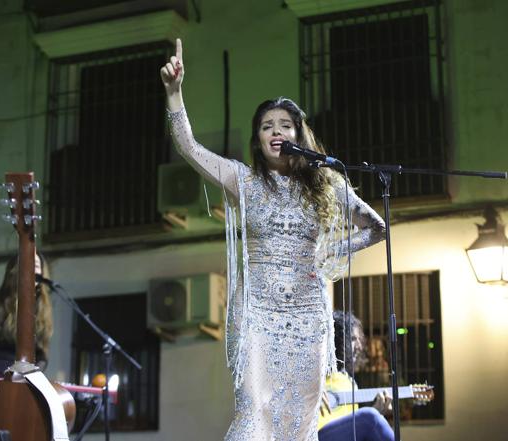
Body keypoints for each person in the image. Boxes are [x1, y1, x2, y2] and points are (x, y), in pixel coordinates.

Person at [160, 39, 386, 440]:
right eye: (267, 127)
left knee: (299, 428)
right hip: (257, 317)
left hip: (307, 321)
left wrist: (326, 254)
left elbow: (375, 228)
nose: (276, 131)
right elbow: (190, 149)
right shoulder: (243, 181)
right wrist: (175, 94)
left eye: (285, 125)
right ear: (259, 141)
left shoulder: (327, 182)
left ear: (299, 134)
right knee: (253, 418)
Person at [318, 310, 395, 441]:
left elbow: (349, 429)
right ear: (337, 340)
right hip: (314, 436)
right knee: (368, 417)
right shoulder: (314, 374)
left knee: (371, 417)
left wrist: (377, 411)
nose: (359, 346)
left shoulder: (349, 382)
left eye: (360, 340)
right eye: (353, 339)